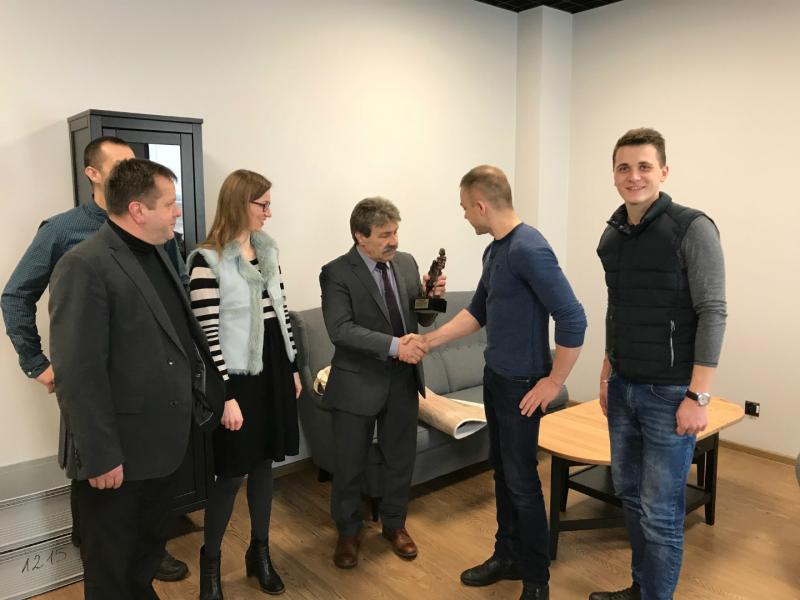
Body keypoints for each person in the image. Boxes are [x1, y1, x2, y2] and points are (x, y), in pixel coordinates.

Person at [0, 136, 190, 582]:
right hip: (101, 395)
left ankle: (142, 561)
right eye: (121, 165)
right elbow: (16, 295)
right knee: (104, 524)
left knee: (143, 523)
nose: (131, 172)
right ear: (93, 173)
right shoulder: (64, 232)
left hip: (154, 409)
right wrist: (37, 363)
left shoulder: (157, 238)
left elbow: (173, 305)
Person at [48, 158, 223, 599]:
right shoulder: (84, 265)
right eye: (170, 204)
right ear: (137, 210)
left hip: (163, 447)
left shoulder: (159, 252)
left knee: (145, 556)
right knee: (110, 569)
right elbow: (78, 372)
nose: (178, 211)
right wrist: (101, 456)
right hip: (117, 457)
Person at [422, 165, 587, 600]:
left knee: (522, 481)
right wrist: (430, 341)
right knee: (503, 473)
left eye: (464, 208)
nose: (463, 216)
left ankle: (536, 581)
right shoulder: (495, 250)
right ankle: (507, 556)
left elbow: (573, 317)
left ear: (481, 205)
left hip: (522, 384)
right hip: (496, 377)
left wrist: (554, 381)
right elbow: (478, 311)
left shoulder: (529, 248)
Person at [588, 128, 727, 600]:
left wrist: (698, 396)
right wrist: (607, 372)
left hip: (670, 394)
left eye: (644, 166)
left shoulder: (692, 227)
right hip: (624, 386)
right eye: (624, 168)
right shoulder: (612, 236)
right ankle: (641, 587)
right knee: (629, 497)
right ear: (614, 175)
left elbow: (713, 311)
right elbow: (617, 308)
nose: (634, 176)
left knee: (661, 512)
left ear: (663, 172)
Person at [188, 169, 301, 598]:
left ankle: (260, 553)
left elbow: (281, 312)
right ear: (240, 203)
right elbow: (206, 337)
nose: (269, 212)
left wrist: (293, 367)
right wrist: (226, 396)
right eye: (263, 204)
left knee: (264, 466)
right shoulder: (207, 260)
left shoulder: (267, 251)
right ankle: (211, 565)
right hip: (236, 379)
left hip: (273, 371)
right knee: (231, 474)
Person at [319, 197, 445, 570]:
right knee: (349, 465)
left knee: (399, 459)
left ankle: (395, 525)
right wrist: (395, 346)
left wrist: (433, 300)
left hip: (403, 381)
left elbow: (422, 319)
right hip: (356, 383)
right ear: (360, 236)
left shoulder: (405, 263)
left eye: (396, 232)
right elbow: (340, 330)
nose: (394, 241)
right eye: (385, 235)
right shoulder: (336, 272)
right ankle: (347, 532)